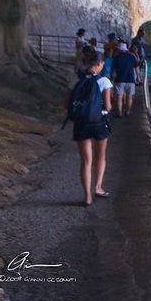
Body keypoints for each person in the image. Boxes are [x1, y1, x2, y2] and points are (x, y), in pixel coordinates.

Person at [66, 51, 112, 206]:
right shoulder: (104, 81)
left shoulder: (76, 79)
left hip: (81, 123)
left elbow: (67, 102)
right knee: (101, 156)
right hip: (99, 122)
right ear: (99, 64)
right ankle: (98, 188)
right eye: (102, 63)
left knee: (86, 161)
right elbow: (108, 106)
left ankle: (87, 197)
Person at [110, 41, 138, 117]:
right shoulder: (132, 57)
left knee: (119, 97)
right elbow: (136, 67)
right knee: (129, 96)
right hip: (130, 79)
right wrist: (138, 77)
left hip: (119, 79)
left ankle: (119, 113)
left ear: (119, 49)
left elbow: (113, 69)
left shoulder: (116, 58)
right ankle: (128, 112)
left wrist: (112, 78)